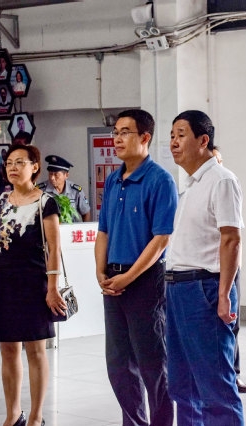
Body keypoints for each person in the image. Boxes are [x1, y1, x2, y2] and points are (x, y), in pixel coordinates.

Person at [94, 109, 176, 426]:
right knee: (118, 364)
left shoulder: (160, 180)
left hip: (145, 280)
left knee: (152, 363)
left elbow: (162, 238)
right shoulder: (113, 180)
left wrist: (128, 276)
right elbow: (103, 231)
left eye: (125, 132)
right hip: (113, 280)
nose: (117, 138)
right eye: (115, 132)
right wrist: (100, 272)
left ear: (145, 137)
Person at [165, 110, 244, 425]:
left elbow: (231, 239)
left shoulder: (221, 180)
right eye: (172, 136)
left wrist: (224, 294)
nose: (174, 142)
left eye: (181, 135)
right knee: (182, 385)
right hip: (178, 288)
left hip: (204, 289)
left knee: (215, 387)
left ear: (203, 140)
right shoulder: (190, 184)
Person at [0, 144, 67, 426]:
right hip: (5, 284)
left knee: (35, 351)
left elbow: (54, 248)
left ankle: (36, 416)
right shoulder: (2, 200)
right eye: (9, 163)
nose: (13, 167)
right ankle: (13, 414)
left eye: (20, 162)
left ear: (35, 167)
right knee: (8, 350)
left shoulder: (46, 202)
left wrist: (52, 287)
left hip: (34, 284)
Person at [210, 145, 246, 394]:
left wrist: (237, 269)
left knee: (232, 324)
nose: (218, 165)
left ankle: (234, 374)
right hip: (208, 270)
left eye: (220, 160)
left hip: (230, 269)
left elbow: (234, 237)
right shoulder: (194, 191)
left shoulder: (227, 185)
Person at [37, 155, 91, 222]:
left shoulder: (76, 191)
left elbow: (86, 212)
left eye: (56, 175)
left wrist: (84, 228)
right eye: (50, 174)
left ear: (66, 175)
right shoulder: (40, 190)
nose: (52, 178)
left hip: (71, 228)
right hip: (48, 228)